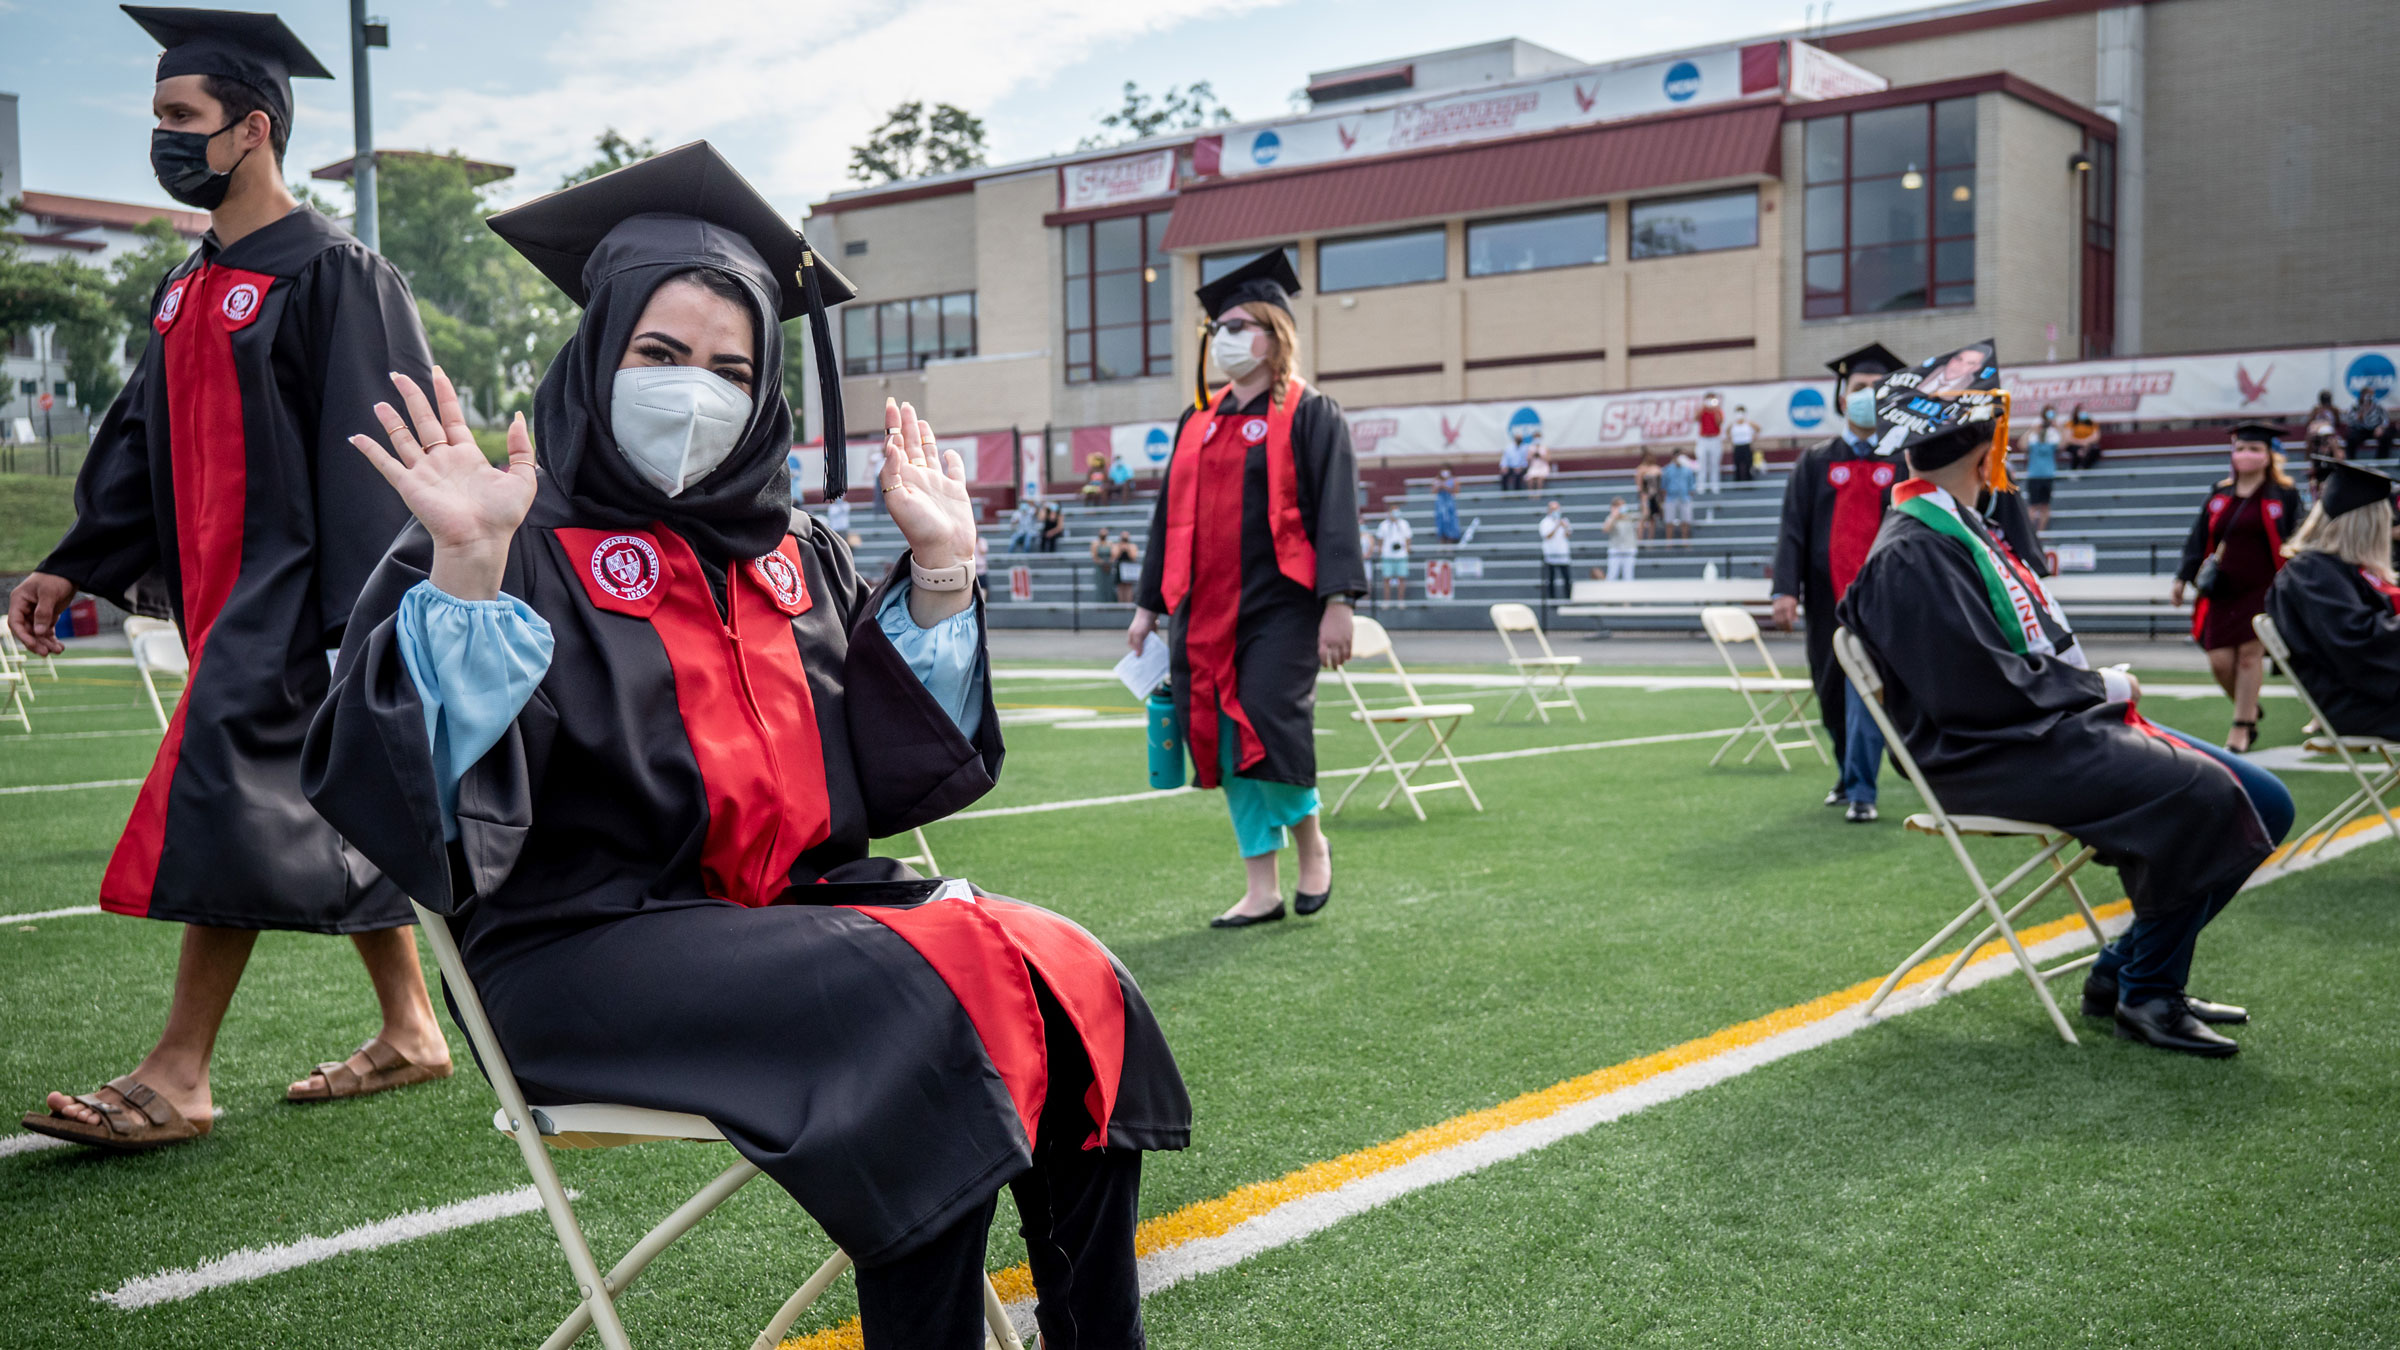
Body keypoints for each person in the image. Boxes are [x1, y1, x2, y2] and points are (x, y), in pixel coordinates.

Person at [305, 144, 1191, 1346]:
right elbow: (409, 797)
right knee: (912, 1001)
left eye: (730, 367)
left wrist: (940, 573)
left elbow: (890, 762)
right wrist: (467, 574)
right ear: (597, 353)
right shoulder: (503, 530)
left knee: (1066, 968)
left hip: (794, 925)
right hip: (580, 950)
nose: (695, 392)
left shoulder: (791, 553)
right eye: (659, 357)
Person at [11, 8, 451, 1153]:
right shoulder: (185, 288)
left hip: (298, 599)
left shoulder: (335, 274)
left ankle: (179, 1073)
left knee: (216, 786)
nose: (160, 137)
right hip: (219, 598)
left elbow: (381, 452)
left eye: (179, 119)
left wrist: (364, 628)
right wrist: (74, 564)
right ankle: (412, 1026)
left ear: (251, 130)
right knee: (321, 804)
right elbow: (136, 440)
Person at [1840, 397, 2291, 1056]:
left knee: (2267, 798)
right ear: (1982, 453)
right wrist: (2101, 685)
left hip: (2041, 726)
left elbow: (2007, 667)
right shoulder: (1913, 549)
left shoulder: (1960, 528)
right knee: (2209, 794)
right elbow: (1979, 688)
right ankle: (2149, 995)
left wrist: (2088, 691)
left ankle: (2123, 971)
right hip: (1987, 753)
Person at [1129, 249, 1366, 929]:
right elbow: (1165, 519)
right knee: (1226, 741)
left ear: (1273, 333)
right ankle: (1260, 886)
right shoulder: (1196, 423)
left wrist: (1339, 603)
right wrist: (1148, 605)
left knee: (1266, 718)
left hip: (1281, 607)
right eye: (1220, 327)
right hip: (1202, 610)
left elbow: (1337, 513)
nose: (1227, 338)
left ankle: (1312, 842)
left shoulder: (1313, 414)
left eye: (1240, 325)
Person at [1772, 341, 1905, 810]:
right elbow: (1793, 529)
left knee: (1866, 692)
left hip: (1885, 599)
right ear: (1844, 398)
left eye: (1877, 387)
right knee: (1830, 692)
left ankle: (1862, 792)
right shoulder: (1814, 461)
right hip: (1827, 598)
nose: (1867, 394)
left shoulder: (1903, 461)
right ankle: (1848, 774)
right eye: (1860, 387)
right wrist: (1785, 590)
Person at [2172, 425, 2306, 751]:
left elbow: (2297, 541)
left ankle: (2242, 726)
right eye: (2241, 448)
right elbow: (2198, 539)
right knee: (2219, 661)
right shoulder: (2219, 494)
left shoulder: (2284, 495)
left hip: (2263, 588)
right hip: (2222, 590)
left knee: (2249, 657)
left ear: (2268, 456)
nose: (2247, 455)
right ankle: (2250, 707)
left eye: (2254, 449)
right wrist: (2182, 577)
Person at [2265, 460, 2400, 740]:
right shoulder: (2312, 572)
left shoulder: (2339, 568)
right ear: (2367, 524)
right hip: (2360, 705)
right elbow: (2358, 641)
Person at [2019, 404, 2062, 530]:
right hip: (2034, 475)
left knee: (2045, 506)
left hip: (2048, 475)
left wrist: (2059, 428)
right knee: (2032, 506)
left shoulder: (2053, 434)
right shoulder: (2033, 435)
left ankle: (2041, 532)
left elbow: (2064, 443)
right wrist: (2032, 430)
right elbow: (2022, 445)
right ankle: (2030, 533)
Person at [2345, 384, 2395, 460]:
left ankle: (2381, 459)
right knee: (2351, 438)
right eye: (2368, 394)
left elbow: (2385, 419)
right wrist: (2360, 415)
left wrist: (2381, 427)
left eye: (2371, 395)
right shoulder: (2355, 407)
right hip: (2361, 430)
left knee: (2386, 436)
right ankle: (2351, 460)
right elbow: (2350, 421)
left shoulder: (2378, 406)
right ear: (2362, 395)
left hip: (2375, 429)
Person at [1376, 504, 1413, 603]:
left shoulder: (1404, 524)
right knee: (1386, 579)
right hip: (1387, 555)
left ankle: (1401, 601)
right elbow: (1380, 539)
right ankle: (1386, 601)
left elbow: (1408, 538)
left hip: (1401, 555)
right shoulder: (1383, 525)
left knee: (1402, 579)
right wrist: (1380, 551)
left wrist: (1407, 549)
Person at [1538, 500, 1574, 597]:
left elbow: (1568, 535)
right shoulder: (1545, 522)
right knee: (1551, 579)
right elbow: (1547, 536)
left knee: (1567, 578)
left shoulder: (1565, 521)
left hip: (1563, 554)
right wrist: (1557, 525)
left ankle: (1568, 598)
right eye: (1553, 509)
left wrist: (1565, 527)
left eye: (1556, 508)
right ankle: (1552, 600)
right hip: (1550, 554)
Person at [1661, 448, 1697, 542]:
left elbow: (1692, 485)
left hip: (1685, 498)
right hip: (1670, 498)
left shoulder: (1688, 470)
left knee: (1686, 520)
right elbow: (1663, 486)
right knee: (1669, 521)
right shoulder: (1667, 469)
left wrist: (1690, 495)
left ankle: (1685, 541)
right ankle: (1669, 542)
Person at [1694, 391, 1724, 494]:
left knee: (1714, 464)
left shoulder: (1718, 411)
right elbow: (1696, 419)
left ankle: (1714, 485)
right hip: (1703, 439)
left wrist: (1715, 409)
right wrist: (1703, 407)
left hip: (1715, 439)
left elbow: (1719, 423)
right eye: (1708, 399)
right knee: (1701, 463)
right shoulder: (1702, 410)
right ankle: (1701, 486)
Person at [1602, 497, 1637, 581]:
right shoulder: (1610, 518)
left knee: (1628, 577)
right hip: (1615, 549)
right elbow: (1605, 529)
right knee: (1612, 575)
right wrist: (1614, 516)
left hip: (1629, 548)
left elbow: (1644, 515)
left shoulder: (1629, 516)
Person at [1635, 450, 1664, 541]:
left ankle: (1650, 540)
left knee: (1652, 518)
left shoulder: (1656, 468)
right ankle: (1640, 539)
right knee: (1644, 517)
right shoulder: (1641, 469)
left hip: (1655, 496)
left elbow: (1660, 481)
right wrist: (1643, 497)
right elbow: (1639, 485)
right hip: (1646, 496)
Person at [2063, 404, 2102, 470]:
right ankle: (2074, 470)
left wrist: (2086, 442)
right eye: (2081, 411)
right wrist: (2081, 442)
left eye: (2085, 411)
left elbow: (2096, 436)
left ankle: (2084, 468)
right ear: (2076, 413)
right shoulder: (2071, 423)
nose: (2084, 413)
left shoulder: (2092, 423)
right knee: (2078, 451)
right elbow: (2068, 438)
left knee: (2095, 450)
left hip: (2089, 445)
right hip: (2074, 444)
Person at [1432, 466, 1461, 544]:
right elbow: (1433, 491)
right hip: (1440, 505)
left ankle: (1451, 540)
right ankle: (1442, 540)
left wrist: (1446, 487)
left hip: (1449, 504)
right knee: (1441, 521)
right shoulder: (1436, 480)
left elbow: (1456, 492)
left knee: (1450, 521)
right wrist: (1439, 486)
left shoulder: (1454, 480)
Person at [1728, 405, 1758, 483]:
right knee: (1737, 465)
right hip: (1737, 446)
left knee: (1748, 464)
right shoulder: (1732, 424)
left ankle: (1749, 481)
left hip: (1746, 445)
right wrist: (1731, 440)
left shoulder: (1749, 423)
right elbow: (1727, 432)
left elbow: (1758, 429)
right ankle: (1737, 481)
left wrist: (1753, 438)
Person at [1113, 530, 1142, 603]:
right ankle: (1121, 603)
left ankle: (1128, 602)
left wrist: (1127, 549)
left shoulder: (1132, 546)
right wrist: (1121, 549)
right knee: (1120, 586)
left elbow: (1134, 557)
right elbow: (1114, 557)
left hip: (1129, 567)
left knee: (1129, 586)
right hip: (1120, 566)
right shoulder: (1117, 546)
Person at [1089, 528, 1118, 602]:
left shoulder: (1110, 543)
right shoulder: (1095, 544)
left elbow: (1114, 555)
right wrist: (1102, 563)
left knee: (1109, 585)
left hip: (1109, 566)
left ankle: (1110, 600)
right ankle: (1101, 601)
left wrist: (1109, 563)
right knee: (1101, 584)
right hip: (1099, 567)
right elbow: (1094, 556)